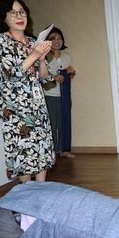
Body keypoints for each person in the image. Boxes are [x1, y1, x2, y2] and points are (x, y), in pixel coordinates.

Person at [0, 0, 55, 182]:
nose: (19, 16)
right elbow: (10, 74)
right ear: (3, 17)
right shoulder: (0, 41)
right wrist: (34, 54)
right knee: (24, 149)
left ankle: (42, 187)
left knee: (41, 145)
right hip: (16, 106)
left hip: (37, 104)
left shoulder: (33, 41)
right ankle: (27, 192)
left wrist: (41, 59)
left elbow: (45, 78)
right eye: (13, 13)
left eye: (22, 12)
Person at [44, 27, 76, 158]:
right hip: (50, 95)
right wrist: (54, 77)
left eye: (59, 38)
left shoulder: (66, 56)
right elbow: (41, 76)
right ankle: (52, 151)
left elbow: (69, 75)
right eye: (52, 39)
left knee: (64, 122)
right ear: (47, 41)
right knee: (51, 123)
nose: (56, 41)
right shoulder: (44, 57)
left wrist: (71, 73)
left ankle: (64, 149)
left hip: (65, 95)